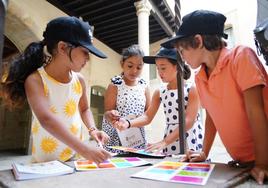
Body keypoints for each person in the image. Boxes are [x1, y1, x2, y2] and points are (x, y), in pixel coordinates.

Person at [161, 10, 268, 184]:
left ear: (198, 41)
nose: (182, 58)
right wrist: (204, 152)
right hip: (244, 164)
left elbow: (256, 111)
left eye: (182, 51)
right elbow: (211, 116)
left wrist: (263, 163)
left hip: (264, 163)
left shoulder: (240, 57)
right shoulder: (200, 77)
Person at [1, 16, 111, 163]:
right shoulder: (36, 80)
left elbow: (84, 109)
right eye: (85, 51)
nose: (88, 58)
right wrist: (85, 149)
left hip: (74, 157)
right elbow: (46, 119)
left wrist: (93, 129)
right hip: (45, 162)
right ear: (63, 48)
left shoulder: (80, 80)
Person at [113, 47, 203, 156]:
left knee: (190, 169)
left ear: (177, 66)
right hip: (169, 138)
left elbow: (188, 121)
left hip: (189, 137)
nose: (160, 72)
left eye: (163, 68)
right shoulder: (160, 91)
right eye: (157, 68)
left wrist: (165, 141)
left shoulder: (192, 88)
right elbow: (147, 116)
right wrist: (128, 123)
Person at [102, 44, 151, 153]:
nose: (134, 71)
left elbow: (149, 114)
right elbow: (107, 113)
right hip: (117, 138)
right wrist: (112, 114)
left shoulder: (144, 86)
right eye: (130, 66)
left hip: (137, 138)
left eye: (139, 67)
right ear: (122, 64)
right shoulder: (115, 85)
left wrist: (134, 122)